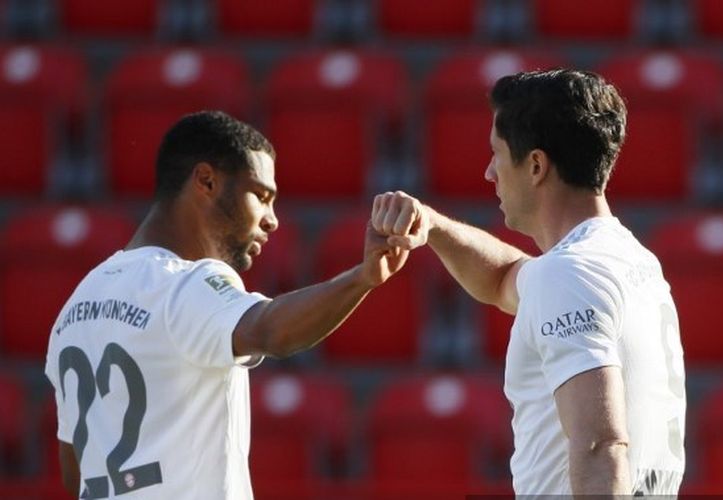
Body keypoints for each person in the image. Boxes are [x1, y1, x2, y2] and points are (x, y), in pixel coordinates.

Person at [45, 110, 410, 499]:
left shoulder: (77, 305)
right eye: (262, 196)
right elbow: (269, 330)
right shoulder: (186, 282)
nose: (272, 220)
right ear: (206, 181)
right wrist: (362, 278)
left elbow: (77, 473)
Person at [372, 69, 686, 495]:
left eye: (496, 154)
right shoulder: (630, 260)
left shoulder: (567, 275)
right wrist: (434, 225)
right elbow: (503, 279)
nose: (489, 173)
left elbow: (600, 444)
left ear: (536, 165)